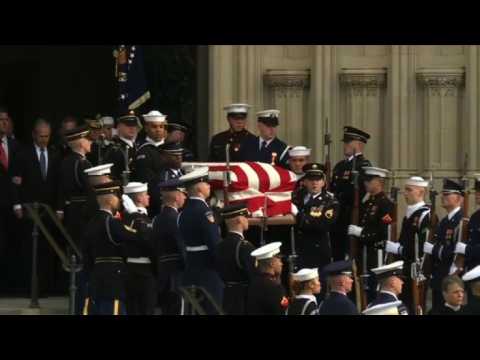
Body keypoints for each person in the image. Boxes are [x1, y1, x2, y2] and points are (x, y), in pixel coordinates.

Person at [82, 181, 150, 315]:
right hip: (113, 279)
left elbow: (86, 253)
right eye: (117, 197)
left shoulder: (91, 222)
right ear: (110, 200)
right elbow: (141, 237)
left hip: (96, 277)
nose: (119, 200)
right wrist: (136, 215)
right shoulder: (111, 223)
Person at [10, 119, 62, 296]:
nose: (44, 140)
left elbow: (58, 185)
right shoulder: (23, 154)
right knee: (28, 248)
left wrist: (59, 208)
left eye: (47, 136)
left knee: (46, 249)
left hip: (47, 210)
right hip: (29, 209)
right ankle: (29, 288)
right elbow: (15, 182)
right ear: (34, 134)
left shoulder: (55, 154)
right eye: (41, 136)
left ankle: (45, 287)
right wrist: (16, 204)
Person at [56, 124, 93, 313]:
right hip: (84, 214)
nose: (90, 142)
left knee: (75, 256)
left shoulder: (65, 161)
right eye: (88, 139)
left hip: (72, 213)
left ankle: (77, 301)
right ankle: (82, 305)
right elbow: (91, 190)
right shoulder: (83, 164)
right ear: (80, 142)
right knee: (84, 258)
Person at [177, 167, 224, 314]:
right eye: (206, 183)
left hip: (191, 268)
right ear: (199, 189)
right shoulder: (204, 212)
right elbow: (214, 243)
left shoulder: (183, 213)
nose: (209, 186)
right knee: (212, 308)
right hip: (208, 271)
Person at [384, 176, 431, 313]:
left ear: (421, 192)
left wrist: (399, 249)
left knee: (414, 306)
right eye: (405, 190)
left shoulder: (424, 215)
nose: (405, 193)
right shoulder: (409, 215)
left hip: (415, 271)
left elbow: (421, 247)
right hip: (404, 270)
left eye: (409, 190)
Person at [347, 166, 394, 302]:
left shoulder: (386, 204)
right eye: (365, 180)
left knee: (373, 289)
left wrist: (361, 233)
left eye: (369, 180)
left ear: (380, 181)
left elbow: (383, 232)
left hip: (375, 254)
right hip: (363, 253)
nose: (365, 183)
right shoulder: (367, 203)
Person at [330, 126, 372, 261]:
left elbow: (361, 193)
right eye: (345, 142)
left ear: (359, 144)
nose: (345, 145)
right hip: (337, 216)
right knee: (336, 254)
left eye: (349, 142)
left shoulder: (363, 166)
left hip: (351, 215)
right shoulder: (339, 165)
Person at [424, 179, 464, 310]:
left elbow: (454, 251)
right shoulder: (445, 220)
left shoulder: (461, 220)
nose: (443, 197)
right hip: (439, 277)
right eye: (443, 194)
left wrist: (433, 250)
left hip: (450, 279)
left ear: (459, 198)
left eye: (447, 194)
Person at [294, 163, 339, 271]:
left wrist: (298, 215)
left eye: (318, 180)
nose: (314, 183)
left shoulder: (330, 201)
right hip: (299, 248)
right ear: (304, 182)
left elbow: (321, 224)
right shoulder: (297, 197)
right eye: (310, 179)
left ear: (323, 183)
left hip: (317, 250)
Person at [152, 179, 187, 315]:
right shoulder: (178, 219)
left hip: (162, 274)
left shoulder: (156, 220)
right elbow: (182, 246)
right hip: (177, 274)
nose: (185, 197)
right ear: (176, 196)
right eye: (183, 194)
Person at [121, 182, 156, 315]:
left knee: (133, 309)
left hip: (129, 268)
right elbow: (150, 244)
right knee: (146, 309)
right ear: (139, 199)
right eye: (146, 194)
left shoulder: (125, 218)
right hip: (145, 270)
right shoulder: (141, 219)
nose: (149, 197)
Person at [215, 203, 256, 315]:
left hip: (227, 295)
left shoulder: (220, 245)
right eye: (245, 217)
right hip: (243, 297)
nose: (247, 220)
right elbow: (254, 274)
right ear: (239, 220)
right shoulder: (244, 246)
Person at [133, 111, 168, 216]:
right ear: (146, 128)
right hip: (153, 202)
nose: (158, 130)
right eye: (154, 127)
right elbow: (147, 180)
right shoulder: (143, 150)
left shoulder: (170, 148)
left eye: (161, 127)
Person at [246, 242, 289, 315]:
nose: (281, 264)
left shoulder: (253, 283)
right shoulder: (273, 287)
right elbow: (283, 311)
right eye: (279, 260)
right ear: (271, 264)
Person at [453, 174, 480, 274]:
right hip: (470, 271)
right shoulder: (475, 216)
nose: (477, 194)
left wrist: (467, 249)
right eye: (476, 191)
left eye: (479, 192)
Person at [104, 112, 141, 184]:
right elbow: (111, 176)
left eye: (134, 125)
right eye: (128, 125)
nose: (132, 128)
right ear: (119, 127)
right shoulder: (115, 150)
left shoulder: (137, 146)